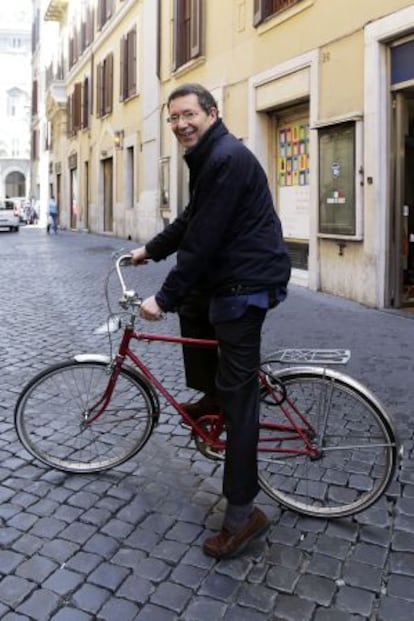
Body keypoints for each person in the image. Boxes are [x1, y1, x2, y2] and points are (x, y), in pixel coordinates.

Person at [131, 83, 291, 559]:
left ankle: (243, 515)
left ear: (212, 113)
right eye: (173, 117)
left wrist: (163, 297)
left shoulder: (224, 159)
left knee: (242, 407)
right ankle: (212, 395)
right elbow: (189, 221)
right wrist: (150, 250)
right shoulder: (212, 155)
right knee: (198, 312)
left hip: (246, 285)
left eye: (188, 115)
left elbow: (201, 242)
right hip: (233, 279)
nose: (180, 124)